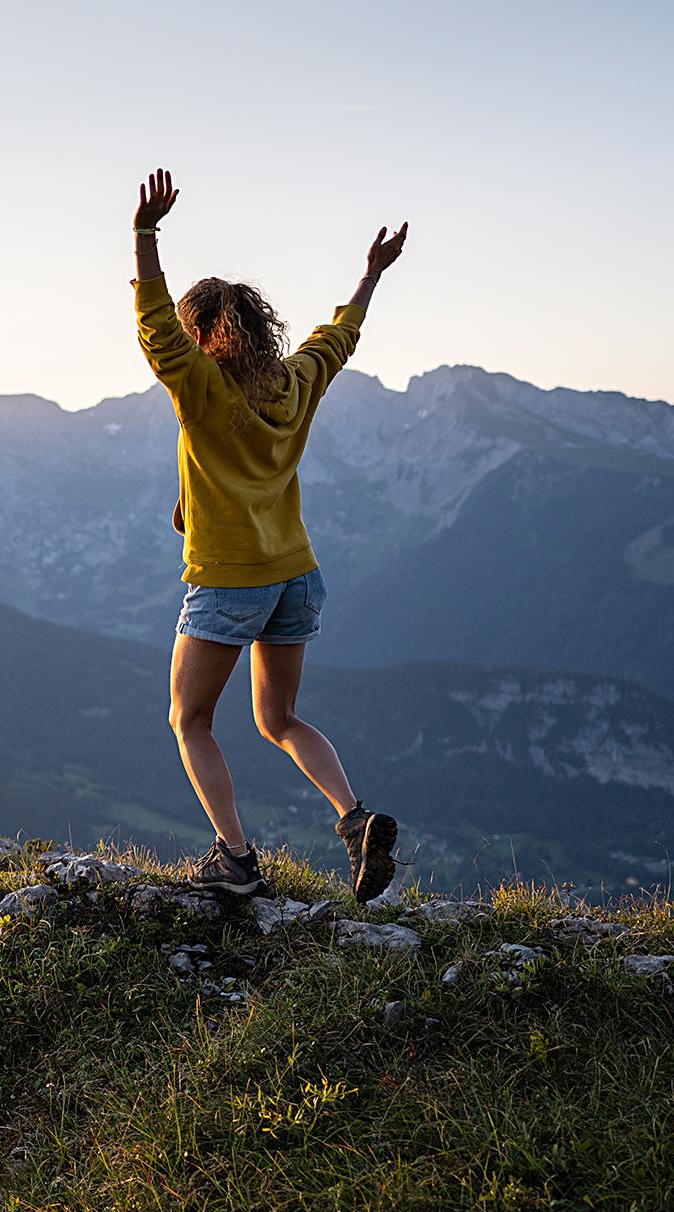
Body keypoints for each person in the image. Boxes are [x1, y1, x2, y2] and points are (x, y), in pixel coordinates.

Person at [130, 167, 406, 903]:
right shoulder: (296, 381)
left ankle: (235, 858)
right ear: (259, 329)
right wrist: (371, 274)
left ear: (201, 333)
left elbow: (154, 325)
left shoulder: (198, 386)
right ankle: (354, 819)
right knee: (278, 718)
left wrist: (146, 235)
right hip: (297, 575)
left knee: (188, 718)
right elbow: (339, 336)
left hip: (230, 581)